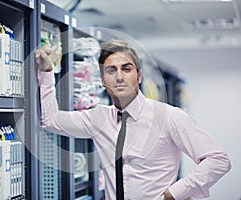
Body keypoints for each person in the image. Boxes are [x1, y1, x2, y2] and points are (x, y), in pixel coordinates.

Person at [35, 39, 231, 200]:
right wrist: (46, 72)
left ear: (138, 76)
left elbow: (218, 160)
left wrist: (175, 193)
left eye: (126, 69)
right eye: (111, 70)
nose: (119, 77)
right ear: (102, 80)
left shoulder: (169, 116)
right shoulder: (98, 118)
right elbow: (50, 120)